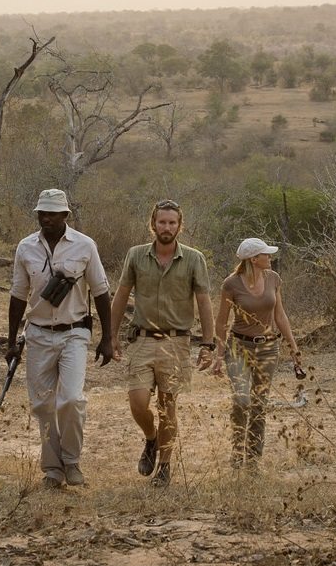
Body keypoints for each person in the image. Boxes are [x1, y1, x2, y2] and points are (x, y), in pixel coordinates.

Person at [8, 189, 115, 489]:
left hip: (75, 332)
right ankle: (53, 470)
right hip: (39, 333)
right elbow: (18, 295)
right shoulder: (25, 247)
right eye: (42, 213)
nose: (46, 218)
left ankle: (72, 461)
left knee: (70, 399)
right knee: (43, 406)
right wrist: (11, 340)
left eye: (53, 213)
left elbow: (102, 291)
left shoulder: (84, 245)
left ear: (66, 215)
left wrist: (107, 339)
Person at [108, 199, 218, 487]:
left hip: (176, 342)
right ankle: (150, 438)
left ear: (180, 226)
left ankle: (165, 468)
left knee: (168, 405)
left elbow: (205, 302)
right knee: (138, 401)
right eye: (161, 222)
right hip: (142, 338)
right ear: (152, 224)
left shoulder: (194, 259)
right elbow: (121, 296)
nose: (166, 227)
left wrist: (208, 344)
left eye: (172, 222)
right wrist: (110, 336)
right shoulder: (136, 255)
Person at [213, 238, 302, 471]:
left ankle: (253, 460)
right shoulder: (231, 284)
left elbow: (280, 315)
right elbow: (221, 321)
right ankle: (237, 450)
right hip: (239, 347)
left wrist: (293, 346)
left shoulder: (273, 278)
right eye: (265, 254)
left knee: (259, 403)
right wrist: (219, 354)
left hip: (268, 347)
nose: (269, 258)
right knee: (242, 400)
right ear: (254, 259)